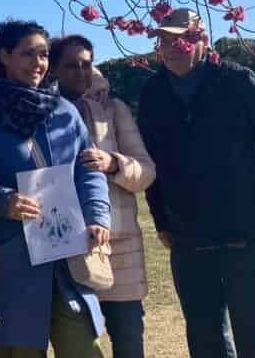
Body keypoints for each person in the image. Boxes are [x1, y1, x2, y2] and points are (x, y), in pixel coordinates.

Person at [136, 8, 255, 358]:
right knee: (204, 334)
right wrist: (161, 221)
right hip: (188, 235)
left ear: (202, 39)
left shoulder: (236, 80)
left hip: (244, 232)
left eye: (183, 38)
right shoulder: (153, 92)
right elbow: (150, 161)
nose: (173, 47)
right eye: (165, 40)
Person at [0, 20, 111, 358]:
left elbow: (88, 171)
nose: (38, 63)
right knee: (13, 347)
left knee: (83, 347)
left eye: (44, 54)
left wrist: (97, 217)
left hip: (69, 254)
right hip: (9, 257)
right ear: (4, 56)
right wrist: (3, 201)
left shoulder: (65, 112)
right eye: (27, 54)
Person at [49, 35, 156, 358]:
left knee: (128, 343)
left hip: (120, 246)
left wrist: (114, 164)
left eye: (86, 64)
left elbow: (147, 171)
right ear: (54, 68)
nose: (80, 72)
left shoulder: (114, 109)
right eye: (70, 65)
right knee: (79, 346)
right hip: (65, 244)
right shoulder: (41, 109)